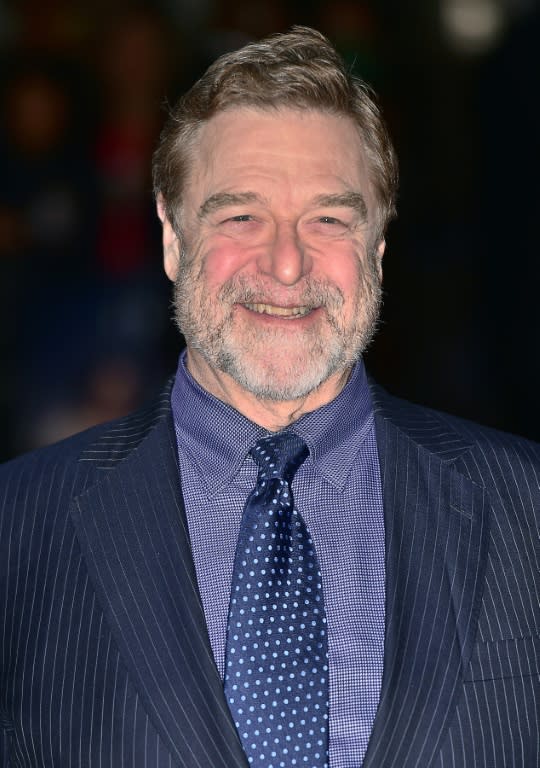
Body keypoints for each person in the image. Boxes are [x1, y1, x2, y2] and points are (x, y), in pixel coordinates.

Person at [1, 26, 538, 768]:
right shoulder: (17, 526)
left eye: (328, 218)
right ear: (170, 236)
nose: (286, 266)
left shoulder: (526, 508)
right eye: (240, 216)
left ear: (377, 249)